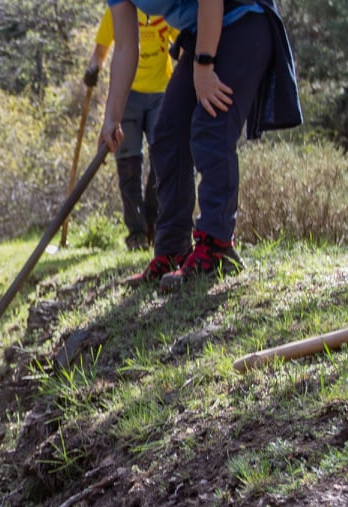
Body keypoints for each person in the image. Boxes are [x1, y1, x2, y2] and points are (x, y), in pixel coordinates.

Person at [98, 0, 300, 291]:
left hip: (243, 21)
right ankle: (172, 251)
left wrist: (204, 66)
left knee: (211, 127)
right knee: (168, 134)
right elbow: (127, 48)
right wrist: (112, 118)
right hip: (202, 34)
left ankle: (217, 249)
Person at [85, 8, 175, 250]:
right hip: (128, 96)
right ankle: (136, 234)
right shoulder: (117, 10)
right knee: (128, 165)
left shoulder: (165, 7)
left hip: (160, 94)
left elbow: (186, 40)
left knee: (162, 161)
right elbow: (100, 52)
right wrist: (93, 70)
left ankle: (154, 225)